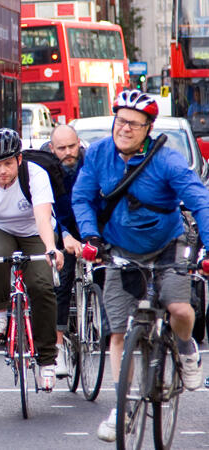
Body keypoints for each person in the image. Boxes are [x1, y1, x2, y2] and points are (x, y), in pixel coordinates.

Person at [71, 89, 208, 442]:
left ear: (149, 128)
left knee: (179, 307)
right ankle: (123, 404)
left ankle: (186, 347)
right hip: (120, 248)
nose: (125, 129)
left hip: (167, 245)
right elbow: (82, 197)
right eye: (120, 121)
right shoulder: (100, 153)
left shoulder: (168, 160)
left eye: (134, 124)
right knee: (118, 332)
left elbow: (200, 202)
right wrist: (90, 236)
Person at [0, 128, 64, 391]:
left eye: (8, 163)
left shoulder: (36, 176)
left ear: (19, 160)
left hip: (33, 230)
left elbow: (44, 219)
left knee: (42, 285)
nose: (2, 171)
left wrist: (51, 249)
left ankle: (46, 360)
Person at [47, 125, 85, 378]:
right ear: (52, 149)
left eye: (72, 146)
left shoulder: (89, 163)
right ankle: (58, 348)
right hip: (60, 226)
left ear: (79, 143)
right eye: (62, 148)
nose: (68, 152)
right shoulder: (45, 167)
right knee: (60, 284)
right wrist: (65, 235)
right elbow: (46, 209)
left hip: (89, 223)